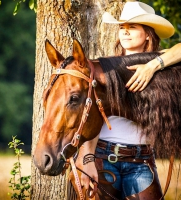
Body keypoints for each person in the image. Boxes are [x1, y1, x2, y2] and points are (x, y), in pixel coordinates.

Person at [77, 1, 181, 199]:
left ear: (148, 33)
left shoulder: (162, 69)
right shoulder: (104, 68)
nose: (125, 32)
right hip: (103, 157)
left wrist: (152, 66)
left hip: (141, 161)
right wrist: (87, 159)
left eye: (132, 27)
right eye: (122, 28)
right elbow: (91, 117)